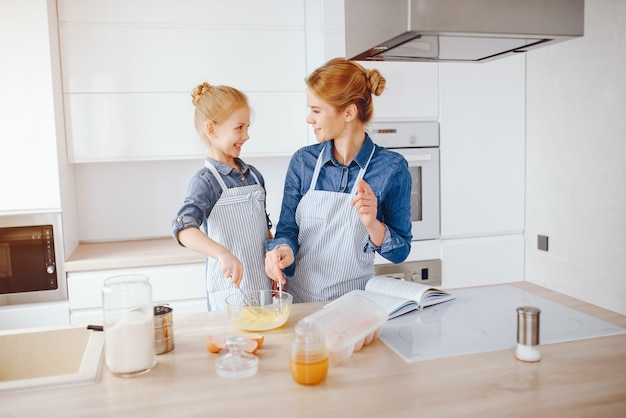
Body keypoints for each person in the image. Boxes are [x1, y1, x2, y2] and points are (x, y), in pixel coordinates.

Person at [264, 58, 412, 303]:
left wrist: (373, 224)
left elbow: (401, 251)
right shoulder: (303, 162)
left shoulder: (391, 168)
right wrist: (283, 250)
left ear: (349, 112)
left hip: (356, 306)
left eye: (316, 110)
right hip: (301, 304)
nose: (309, 119)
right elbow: (287, 229)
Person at [172, 82, 273, 310]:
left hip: (262, 285)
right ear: (212, 129)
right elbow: (183, 229)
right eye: (239, 127)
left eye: (248, 127)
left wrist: (273, 258)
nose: (246, 135)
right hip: (230, 292)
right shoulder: (205, 181)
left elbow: (263, 230)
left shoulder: (254, 176)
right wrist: (222, 254)